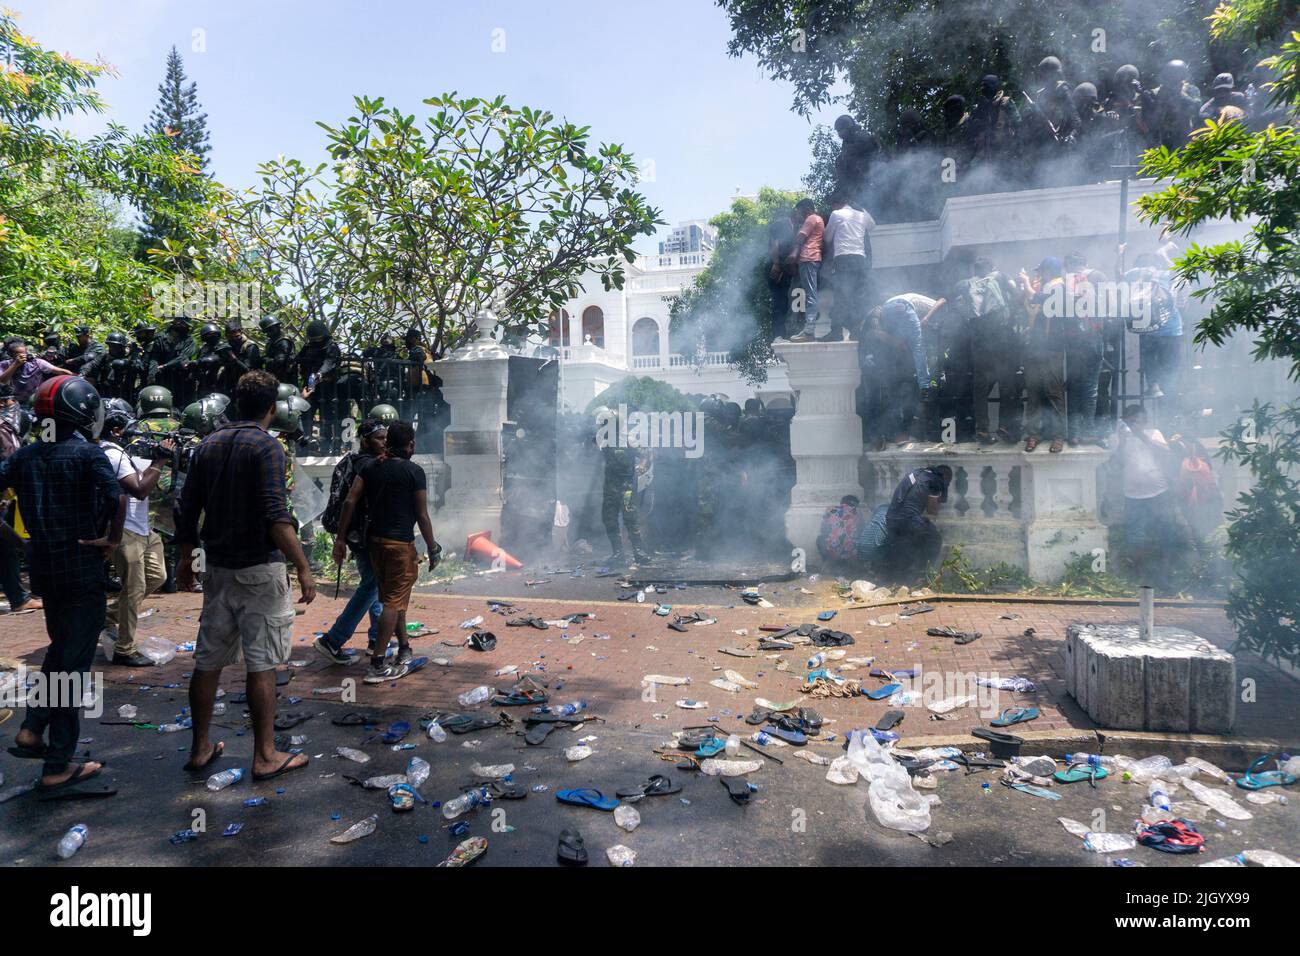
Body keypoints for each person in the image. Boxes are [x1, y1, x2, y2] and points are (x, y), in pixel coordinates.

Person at [175, 369, 315, 779]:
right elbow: (276, 514)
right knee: (262, 664)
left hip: (217, 569)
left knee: (208, 662)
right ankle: (265, 756)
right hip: (259, 569)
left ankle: (200, 747)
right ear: (273, 407)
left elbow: (186, 505)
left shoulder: (208, 445)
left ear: (237, 402)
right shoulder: (267, 447)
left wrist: (186, 558)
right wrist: (303, 566)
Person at [0, 375, 125, 792]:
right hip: (82, 568)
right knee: (73, 666)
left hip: (45, 571)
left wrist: (16, 538)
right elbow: (118, 498)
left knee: (61, 648)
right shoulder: (89, 454)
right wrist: (113, 538)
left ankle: (33, 727)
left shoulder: (24, 456)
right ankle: (57, 763)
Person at [331, 420, 439, 683]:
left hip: (373, 544)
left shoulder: (369, 467)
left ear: (388, 442)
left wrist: (341, 538)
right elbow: (422, 515)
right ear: (410, 444)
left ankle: (403, 649)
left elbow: (349, 501)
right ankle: (377, 663)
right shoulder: (414, 472)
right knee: (392, 602)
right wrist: (433, 547)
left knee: (393, 597)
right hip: (399, 545)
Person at [99, 399, 171, 666]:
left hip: (143, 527)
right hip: (125, 528)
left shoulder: (122, 451)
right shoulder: (111, 454)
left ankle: (105, 616)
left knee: (157, 576)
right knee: (134, 587)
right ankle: (124, 649)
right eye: (130, 427)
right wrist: (161, 459)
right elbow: (139, 489)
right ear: (116, 429)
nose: (136, 433)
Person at [315, 418, 388, 664]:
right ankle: (333, 640)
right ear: (366, 440)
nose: (384, 442)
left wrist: (342, 537)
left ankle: (377, 639)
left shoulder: (349, 461)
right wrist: (342, 539)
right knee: (371, 585)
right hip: (365, 535)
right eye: (379, 438)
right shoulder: (369, 466)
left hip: (355, 535)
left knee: (373, 583)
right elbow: (349, 502)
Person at [1117, 405, 1182, 590]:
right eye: (1131, 421)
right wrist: (1122, 441)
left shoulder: (1154, 434)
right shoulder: (1119, 437)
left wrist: (1142, 436)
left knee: (1166, 534)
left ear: (1145, 421)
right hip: (1133, 495)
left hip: (1159, 493)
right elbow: (1116, 464)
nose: (1136, 425)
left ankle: (1163, 577)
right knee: (1135, 537)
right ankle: (1144, 578)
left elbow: (1166, 454)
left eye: (1139, 421)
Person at [1019, 256, 1068, 452]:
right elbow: (1031, 308)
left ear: (1048, 271)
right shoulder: (1048, 287)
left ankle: (1058, 436)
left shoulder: (1057, 287)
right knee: (1034, 392)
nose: (1039, 275)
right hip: (1035, 348)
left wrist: (1025, 283)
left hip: (1052, 349)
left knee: (1054, 392)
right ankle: (1033, 434)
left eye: (1041, 271)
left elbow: (1034, 298)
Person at [0, 384, 39, 613]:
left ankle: (18, 597)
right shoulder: (3, 428)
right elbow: (11, 462)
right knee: (8, 545)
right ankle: (19, 598)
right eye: (12, 401)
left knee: (5, 548)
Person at [1063, 257, 1108, 447]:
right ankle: (1088, 431)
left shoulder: (1064, 280)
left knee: (1073, 386)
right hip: (1092, 337)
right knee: (1090, 387)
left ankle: (1073, 433)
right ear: (1086, 262)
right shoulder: (1097, 276)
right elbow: (1109, 304)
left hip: (1072, 340)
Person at [883, 465, 952, 579]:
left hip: (891, 518)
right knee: (935, 539)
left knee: (905, 543)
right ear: (946, 476)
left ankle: (894, 575)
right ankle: (923, 573)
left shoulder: (916, 473)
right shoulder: (936, 480)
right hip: (909, 519)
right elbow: (932, 509)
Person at [823, 194, 875, 341]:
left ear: (836, 204)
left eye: (832, 205)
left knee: (840, 295)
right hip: (860, 259)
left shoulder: (836, 214)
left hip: (843, 258)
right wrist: (860, 207)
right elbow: (873, 226)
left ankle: (836, 332)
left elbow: (827, 237)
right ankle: (857, 331)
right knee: (858, 296)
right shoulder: (861, 215)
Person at [786, 199, 825, 340]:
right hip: (811, 258)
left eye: (799, 211)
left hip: (808, 258)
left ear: (806, 208)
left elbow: (801, 238)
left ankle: (809, 330)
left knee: (810, 295)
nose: (798, 214)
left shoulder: (811, 219)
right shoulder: (817, 219)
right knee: (810, 293)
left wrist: (794, 254)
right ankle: (809, 329)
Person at [0, 337, 72, 403]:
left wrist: (76, 378)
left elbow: (61, 371)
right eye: (18, 355)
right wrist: (15, 365)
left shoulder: (37, 363)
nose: (23, 356)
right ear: (10, 354)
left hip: (35, 401)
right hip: (14, 402)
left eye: (24, 354)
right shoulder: (4, 365)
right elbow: (2, 381)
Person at [766, 208, 797, 341]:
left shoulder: (792, 227)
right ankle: (778, 335)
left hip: (784, 269)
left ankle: (782, 334)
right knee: (779, 301)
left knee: (784, 302)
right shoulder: (783, 224)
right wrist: (776, 264)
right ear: (796, 212)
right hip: (776, 268)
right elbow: (775, 243)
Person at [82, 331, 137, 400]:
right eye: (110, 345)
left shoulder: (129, 358)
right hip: (106, 390)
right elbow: (93, 364)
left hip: (123, 392)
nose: (112, 348)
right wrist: (83, 373)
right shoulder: (105, 356)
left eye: (115, 346)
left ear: (121, 347)